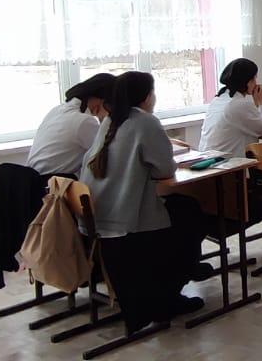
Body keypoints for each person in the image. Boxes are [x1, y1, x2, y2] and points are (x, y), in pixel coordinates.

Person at [81, 71, 208, 332]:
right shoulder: (146, 122)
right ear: (147, 97)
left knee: (181, 210)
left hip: (98, 217)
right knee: (190, 213)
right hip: (126, 222)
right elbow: (165, 170)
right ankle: (169, 294)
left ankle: (176, 278)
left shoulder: (110, 120)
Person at [198, 58, 262, 237]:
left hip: (211, 176)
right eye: (255, 78)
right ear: (249, 81)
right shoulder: (239, 105)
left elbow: (256, 124)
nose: (256, 83)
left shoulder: (218, 100)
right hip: (231, 180)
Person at [26, 73, 116, 177]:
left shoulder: (57, 110)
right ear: (102, 99)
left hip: (30, 179)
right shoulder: (84, 121)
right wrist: (105, 120)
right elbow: (108, 156)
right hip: (53, 183)